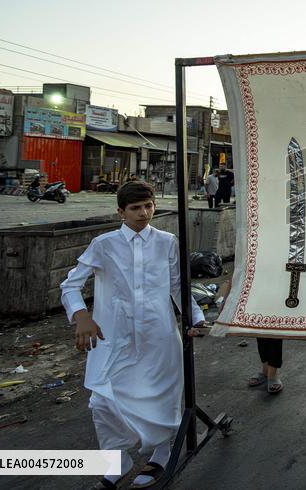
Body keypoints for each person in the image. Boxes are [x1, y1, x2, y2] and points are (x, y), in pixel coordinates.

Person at [60, 181, 209, 490]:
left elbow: (178, 287)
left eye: (149, 206)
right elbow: (70, 285)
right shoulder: (104, 244)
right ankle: (117, 461)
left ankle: (162, 452)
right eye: (135, 208)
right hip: (114, 336)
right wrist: (82, 315)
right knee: (103, 401)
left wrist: (197, 318)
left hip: (159, 334)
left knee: (161, 397)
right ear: (121, 212)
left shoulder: (167, 241)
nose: (144, 213)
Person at [216, 279, 284, 394]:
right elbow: (237, 271)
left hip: (276, 289)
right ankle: (266, 370)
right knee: (258, 331)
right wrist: (225, 300)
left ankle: (273, 374)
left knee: (274, 331)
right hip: (255, 292)